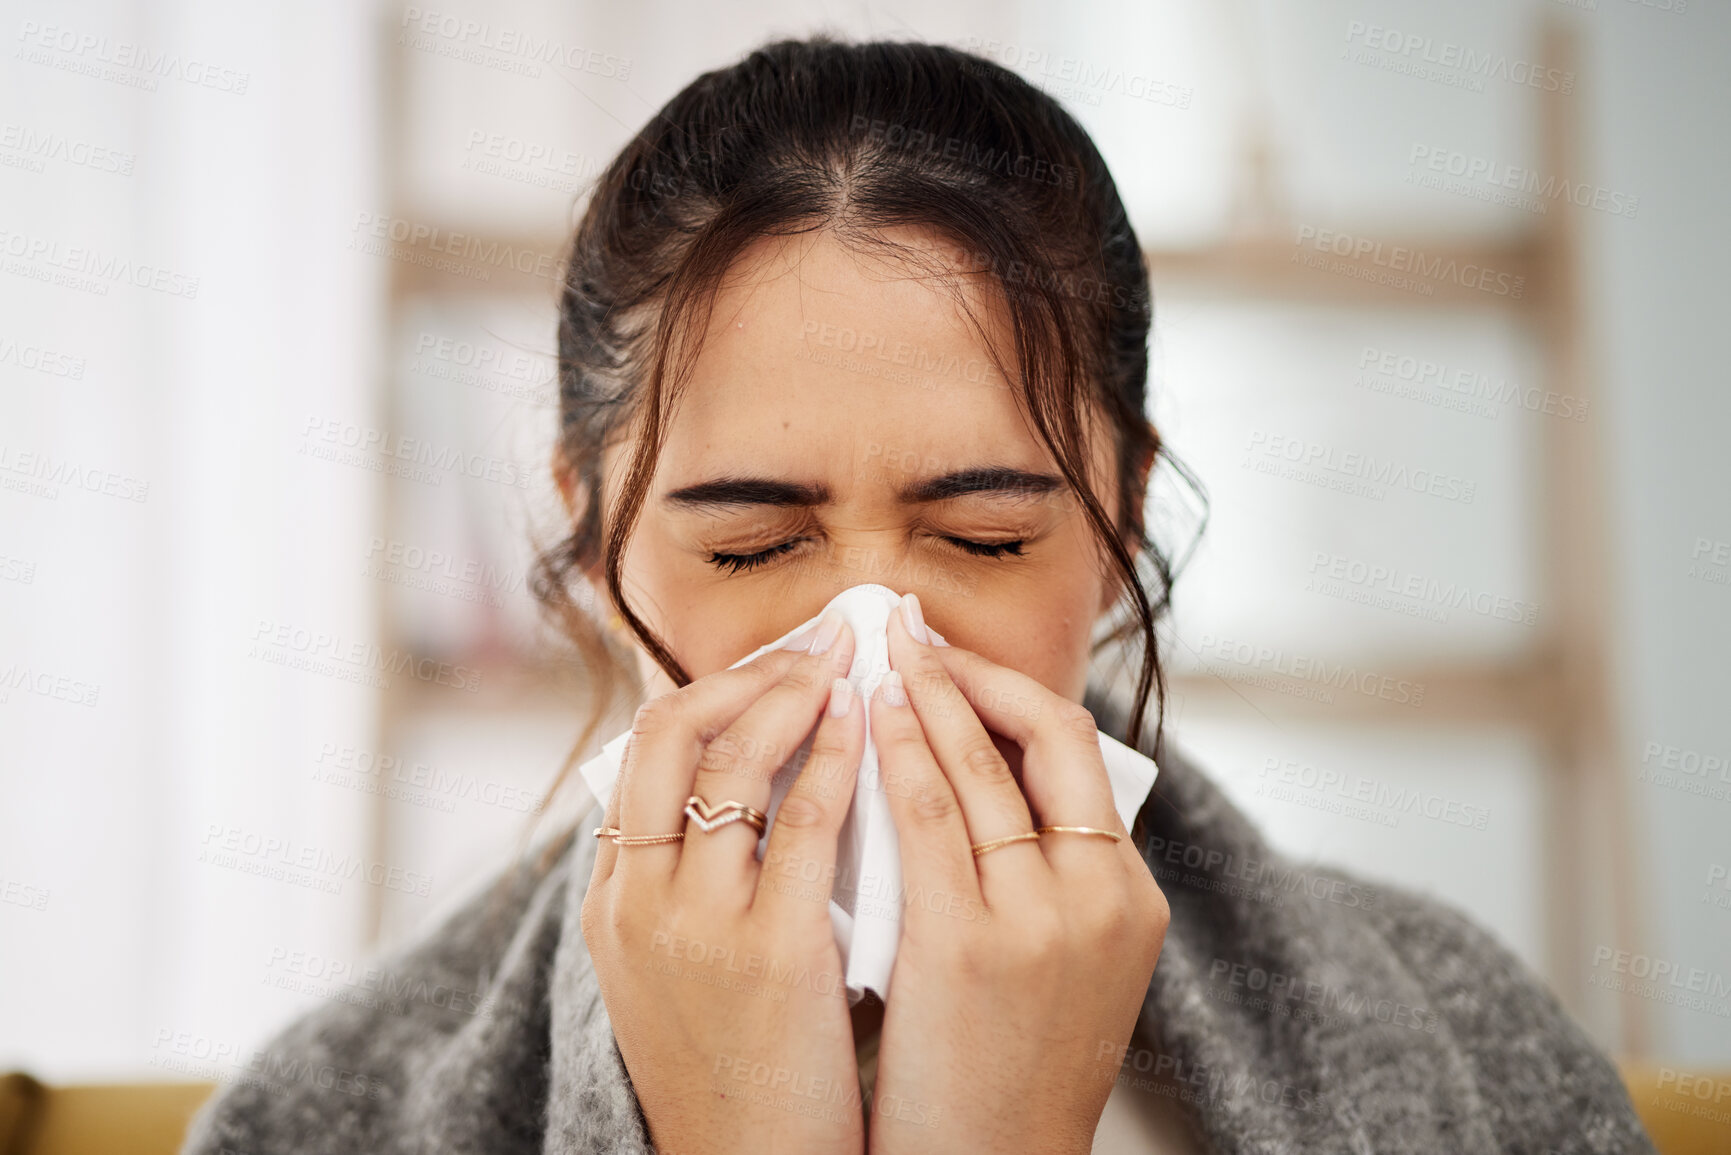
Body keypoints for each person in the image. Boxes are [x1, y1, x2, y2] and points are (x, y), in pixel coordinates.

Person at [182, 36, 1656, 1155]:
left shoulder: (1464, 1048)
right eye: (754, 545)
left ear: (1122, 511)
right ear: (592, 538)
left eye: (987, 538)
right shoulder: (331, 1117)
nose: (874, 646)